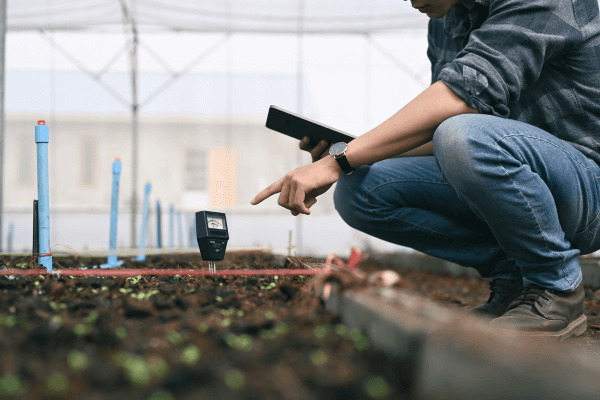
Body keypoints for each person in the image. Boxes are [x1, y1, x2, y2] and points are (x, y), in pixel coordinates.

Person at [251, 0, 600, 340]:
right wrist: (347, 157)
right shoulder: (445, 21)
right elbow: (439, 130)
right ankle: (516, 276)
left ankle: (556, 286)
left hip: (587, 190)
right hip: (515, 179)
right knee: (360, 191)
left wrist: (339, 159)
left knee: (462, 135)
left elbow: (461, 103)